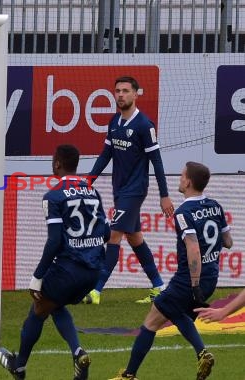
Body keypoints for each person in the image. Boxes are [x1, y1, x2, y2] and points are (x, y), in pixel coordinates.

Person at [109, 161, 233, 380]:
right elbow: (228, 241)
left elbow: (193, 247)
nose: (180, 178)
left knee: (151, 320)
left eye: (182, 175)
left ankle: (128, 376)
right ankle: (202, 353)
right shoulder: (215, 206)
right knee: (176, 313)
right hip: (211, 277)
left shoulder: (184, 212)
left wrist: (194, 284)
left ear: (188, 181)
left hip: (189, 280)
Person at [0, 144, 110, 380]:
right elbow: (107, 233)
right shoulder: (92, 192)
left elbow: (54, 241)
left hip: (69, 269)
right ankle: (78, 354)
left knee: (38, 308)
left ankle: (19, 367)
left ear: (57, 163)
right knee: (55, 304)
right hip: (93, 272)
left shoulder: (54, 196)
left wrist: (37, 276)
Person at [83, 76, 175, 305]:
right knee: (135, 238)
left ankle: (96, 290)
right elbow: (106, 155)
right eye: (117, 91)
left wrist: (164, 195)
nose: (121, 95)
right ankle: (159, 286)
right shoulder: (114, 122)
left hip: (135, 190)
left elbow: (157, 161)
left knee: (114, 235)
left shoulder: (144, 125)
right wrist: (89, 180)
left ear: (136, 94)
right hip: (119, 189)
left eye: (125, 91)